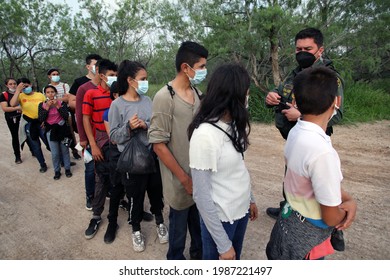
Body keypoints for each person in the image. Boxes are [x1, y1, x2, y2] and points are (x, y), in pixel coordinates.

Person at [264, 27, 345, 251]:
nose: (302, 53)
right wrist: (271, 96)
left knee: (322, 185)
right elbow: (282, 94)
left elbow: (337, 112)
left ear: (320, 49)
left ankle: (335, 231)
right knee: (294, 181)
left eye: (307, 49)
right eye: (298, 49)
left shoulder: (329, 78)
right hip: (294, 136)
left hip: (315, 139)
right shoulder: (294, 74)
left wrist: (301, 115)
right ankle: (289, 211)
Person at [266, 67, 356, 260]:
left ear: (295, 101)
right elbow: (331, 216)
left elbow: (312, 181)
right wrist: (348, 211)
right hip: (307, 242)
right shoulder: (323, 153)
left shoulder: (295, 132)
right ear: (336, 101)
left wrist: (346, 198)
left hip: (289, 225)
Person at [188, 63, 259, 260]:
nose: (248, 97)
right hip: (221, 220)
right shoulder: (205, 136)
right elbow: (201, 195)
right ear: (234, 95)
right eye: (246, 92)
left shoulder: (233, 124)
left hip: (240, 211)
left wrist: (250, 199)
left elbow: (238, 166)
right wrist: (223, 244)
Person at [148, 41, 208, 260]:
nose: (203, 71)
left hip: (199, 177)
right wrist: (184, 179)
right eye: (201, 66)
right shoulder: (165, 97)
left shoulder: (198, 93)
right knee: (178, 230)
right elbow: (158, 145)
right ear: (186, 67)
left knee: (199, 228)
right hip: (179, 179)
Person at [108, 60, 168, 251]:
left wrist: (145, 125)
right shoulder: (117, 105)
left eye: (146, 79)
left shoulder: (148, 101)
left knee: (156, 192)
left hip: (151, 157)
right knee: (135, 196)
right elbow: (113, 136)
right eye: (143, 79)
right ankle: (135, 229)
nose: (145, 82)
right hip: (131, 162)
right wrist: (128, 127)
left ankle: (160, 223)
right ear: (130, 80)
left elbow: (156, 126)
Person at [83, 58, 117, 240]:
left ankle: (122, 203)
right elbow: (85, 119)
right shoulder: (91, 94)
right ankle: (96, 216)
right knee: (100, 179)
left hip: (117, 139)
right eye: (112, 75)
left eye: (116, 75)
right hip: (101, 140)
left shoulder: (117, 94)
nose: (114, 78)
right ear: (102, 75)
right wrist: (93, 145)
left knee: (118, 175)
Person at [75, 57, 102, 211]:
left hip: (104, 136)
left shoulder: (109, 88)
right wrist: (83, 138)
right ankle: (90, 195)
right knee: (91, 168)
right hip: (90, 136)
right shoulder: (84, 88)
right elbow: (80, 115)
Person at [10, 78, 49, 173]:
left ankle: (60, 160)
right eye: (23, 87)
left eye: (26, 86)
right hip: (29, 124)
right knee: (35, 145)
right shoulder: (20, 96)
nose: (25, 88)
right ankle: (42, 164)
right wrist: (18, 91)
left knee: (49, 142)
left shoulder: (39, 95)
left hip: (41, 122)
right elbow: (12, 104)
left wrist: (46, 120)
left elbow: (46, 107)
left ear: (31, 85)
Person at [38, 85, 72, 180]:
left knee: (65, 150)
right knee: (55, 153)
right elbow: (41, 118)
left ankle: (67, 169)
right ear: (45, 94)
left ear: (56, 93)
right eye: (48, 92)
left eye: (52, 92)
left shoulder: (61, 103)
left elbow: (65, 116)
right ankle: (57, 171)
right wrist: (47, 107)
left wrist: (58, 106)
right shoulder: (42, 105)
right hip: (51, 131)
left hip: (62, 130)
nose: (50, 94)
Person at [47, 68, 80, 161]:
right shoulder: (47, 87)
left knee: (72, 133)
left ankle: (76, 151)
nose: (56, 76)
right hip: (54, 115)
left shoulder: (65, 85)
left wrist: (56, 100)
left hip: (66, 112)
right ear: (49, 76)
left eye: (57, 74)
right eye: (53, 74)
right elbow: (48, 101)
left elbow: (68, 98)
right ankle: (64, 156)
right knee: (61, 134)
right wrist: (61, 99)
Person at [1, 78, 23, 163]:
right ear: (7, 85)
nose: (13, 85)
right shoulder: (4, 95)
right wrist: (17, 108)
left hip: (23, 117)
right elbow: (5, 108)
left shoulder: (22, 93)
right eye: (10, 84)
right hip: (11, 118)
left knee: (27, 134)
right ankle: (17, 156)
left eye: (14, 83)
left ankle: (33, 151)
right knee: (15, 136)